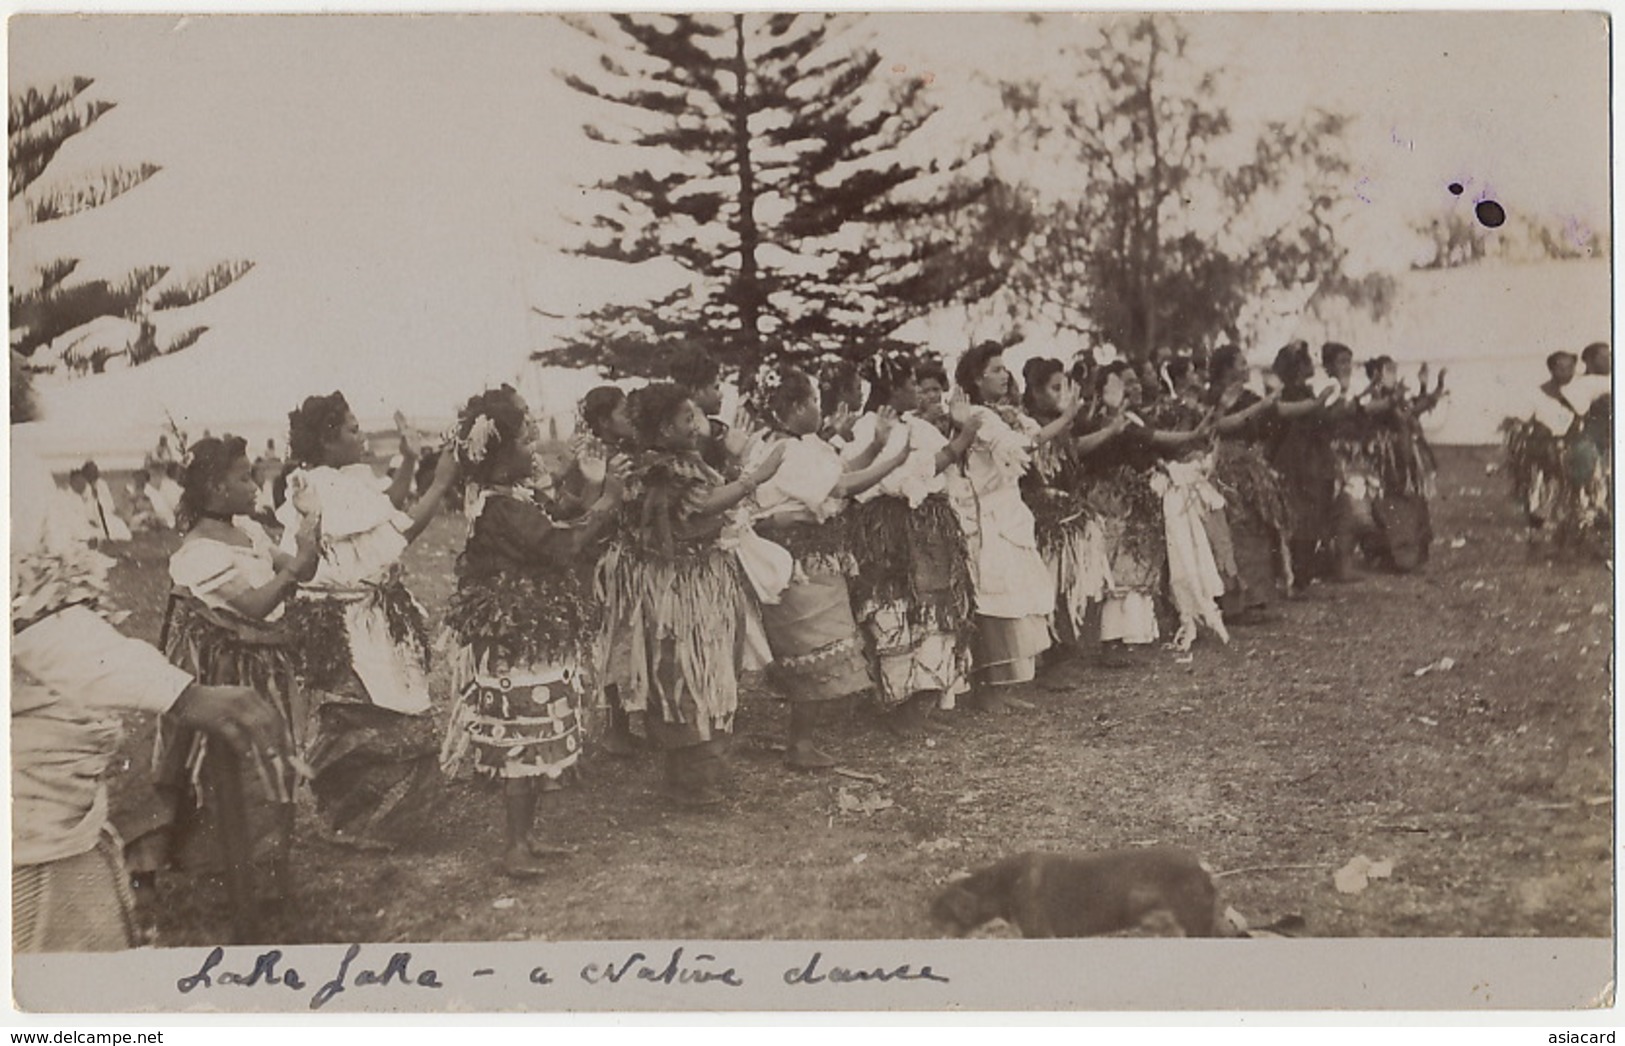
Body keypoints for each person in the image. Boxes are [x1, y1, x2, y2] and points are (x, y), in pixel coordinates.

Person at [12, 353, 290, 953]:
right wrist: (181, 691)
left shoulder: (17, 461)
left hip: (54, 804)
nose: (20, 359)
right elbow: (35, 621)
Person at [118, 436, 321, 936]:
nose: (253, 486)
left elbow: (301, 569)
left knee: (277, 764)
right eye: (243, 477)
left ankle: (269, 878)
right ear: (214, 487)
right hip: (223, 672)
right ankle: (231, 879)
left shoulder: (248, 530)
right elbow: (254, 606)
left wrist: (308, 527)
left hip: (263, 662)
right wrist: (296, 564)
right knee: (229, 773)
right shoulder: (197, 553)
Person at [440, 387, 627, 878]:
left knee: (535, 731)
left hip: (529, 635)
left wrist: (587, 487)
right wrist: (606, 501)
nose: (535, 449)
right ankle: (514, 846)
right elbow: (558, 545)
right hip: (517, 643)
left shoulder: (507, 497)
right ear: (499, 457)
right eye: (525, 442)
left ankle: (525, 837)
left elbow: (554, 517)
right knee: (521, 737)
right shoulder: (502, 508)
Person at [276, 391, 459, 848]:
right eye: (353, 429)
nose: (362, 436)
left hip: (366, 612)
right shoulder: (321, 486)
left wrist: (412, 462)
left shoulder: (339, 479)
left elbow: (384, 510)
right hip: (349, 618)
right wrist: (439, 485)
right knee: (374, 717)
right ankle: (356, 820)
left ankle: (357, 818)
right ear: (327, 439)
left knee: (372, 716)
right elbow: (400, 532)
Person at [596, 383, 786, 806]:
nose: (698, 427)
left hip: (695, 584)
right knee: (683, 672)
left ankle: (690, 776)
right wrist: (758, 476)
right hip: (677, 591)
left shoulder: (676, 462)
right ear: (664, 428)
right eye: (688, 419)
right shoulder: (658, 471)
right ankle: (688, 779)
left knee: (695, 672)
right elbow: (705, 505)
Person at [744, 362, 908, 767]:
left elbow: (839, 471)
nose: (821, 409)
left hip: (805, 556)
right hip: (800, 561)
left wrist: (874, 447)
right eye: (815, 401)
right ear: (798, 406)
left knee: (811, 645)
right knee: (811, 644)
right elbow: (842, 486)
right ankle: (800, 743)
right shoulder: (789, 451)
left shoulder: (789, 444)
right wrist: (896, 458)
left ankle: (803, 739)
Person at [843, 349, 979, 735]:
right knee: (897, 610)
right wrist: (963, 439)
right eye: (910, 386)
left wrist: (957, 436)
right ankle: (898, 707)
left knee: (931, 613)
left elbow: (940, 459)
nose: (918, 393)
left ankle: (919, 705)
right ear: (892, 390)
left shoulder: (914, 425)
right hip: (892, 531)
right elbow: (914, 470)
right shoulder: (867, 427)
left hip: (925, 528)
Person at [951, 341, 1079, 704]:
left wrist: (1066, 419)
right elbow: (1017, 448)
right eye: (996, 370)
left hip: (1008, 509)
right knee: (994, 596)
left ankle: (998, 687)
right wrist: (1064, 420)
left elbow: (1030, 439)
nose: (1005, 375)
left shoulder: (999, 413)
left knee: (1013, 593)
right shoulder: (978, 416)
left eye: (1005, 368)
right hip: (987, 513)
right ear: (977, 379)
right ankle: (986, 691)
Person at [1019, 356, 1119, 655]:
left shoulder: (1059, 422)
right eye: (1054, 388)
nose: (1062, 394)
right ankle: (1048, 645)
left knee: (1072, 576)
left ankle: (1066, 641)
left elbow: (1072, 449)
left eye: (1064, 387)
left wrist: (1108, 431)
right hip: (1040, 510)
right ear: (1035, 392)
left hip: (1065, 506)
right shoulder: (1027, 423)